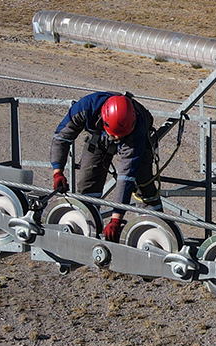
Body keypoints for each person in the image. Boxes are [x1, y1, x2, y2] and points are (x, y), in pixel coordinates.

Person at [50, 92, 161, 241]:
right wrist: (58, 172)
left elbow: (125, 177)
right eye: (115, 136)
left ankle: (154, 228)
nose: (118, 139)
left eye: (120, 136)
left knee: (142, 183)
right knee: (88, 181)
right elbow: (61, 138)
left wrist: (116, 219)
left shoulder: (137, 129)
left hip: (134, 140)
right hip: (98, 138)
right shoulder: (85, 108)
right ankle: (88, 227)